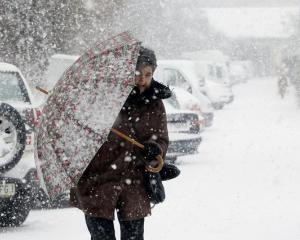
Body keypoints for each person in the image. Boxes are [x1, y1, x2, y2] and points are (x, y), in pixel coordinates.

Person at [70, 46, 171, 240]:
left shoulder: (155, 103)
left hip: (134, 181)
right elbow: (85, 134)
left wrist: (155, 149)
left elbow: (161, 138)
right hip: (98, 178)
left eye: (148, 74)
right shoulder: (104, 97)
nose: (142, 80)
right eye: (137, 74)